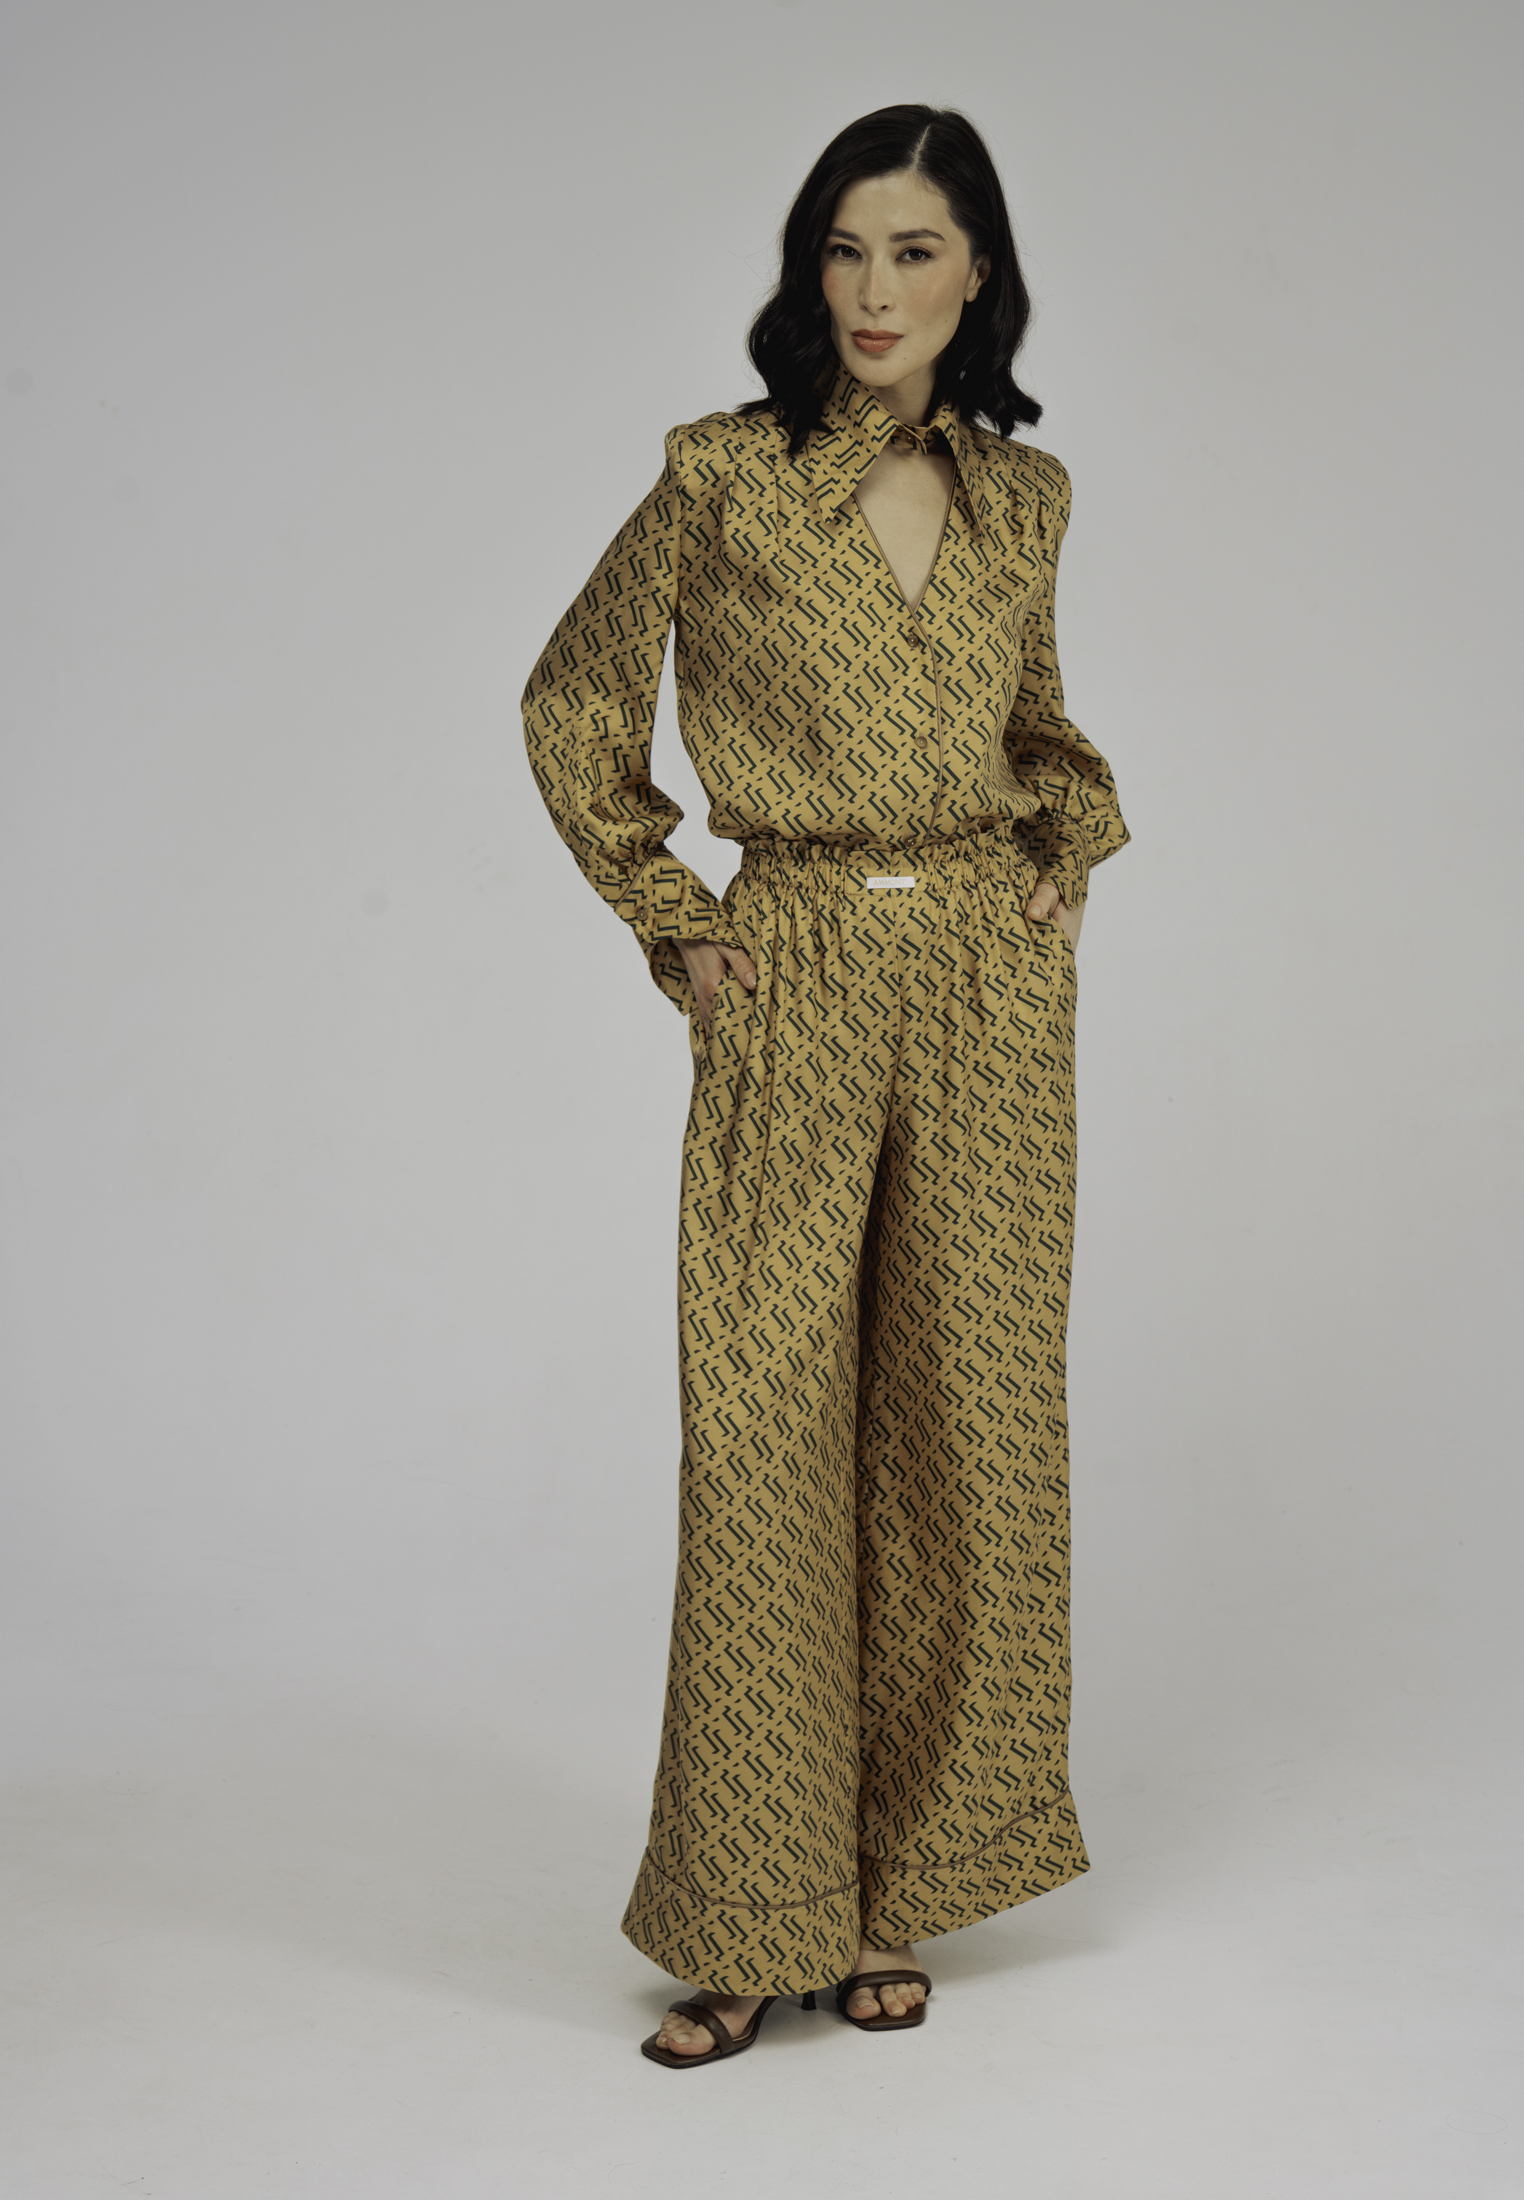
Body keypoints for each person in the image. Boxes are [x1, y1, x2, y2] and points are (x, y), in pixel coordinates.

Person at [522, 103, 1128, 2067]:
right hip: (790, 960)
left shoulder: (1027, 496)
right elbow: (575, 699)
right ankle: (745, 1906)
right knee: (767, 1423)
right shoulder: (720, 473)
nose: (873, 289)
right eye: (843, 250)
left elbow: (1044, 729)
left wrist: (1067, 846)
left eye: (914, 251)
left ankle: (892, 1894)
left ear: (979, 276)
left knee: (968, 1425)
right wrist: (669, 908)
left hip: (986, 987)